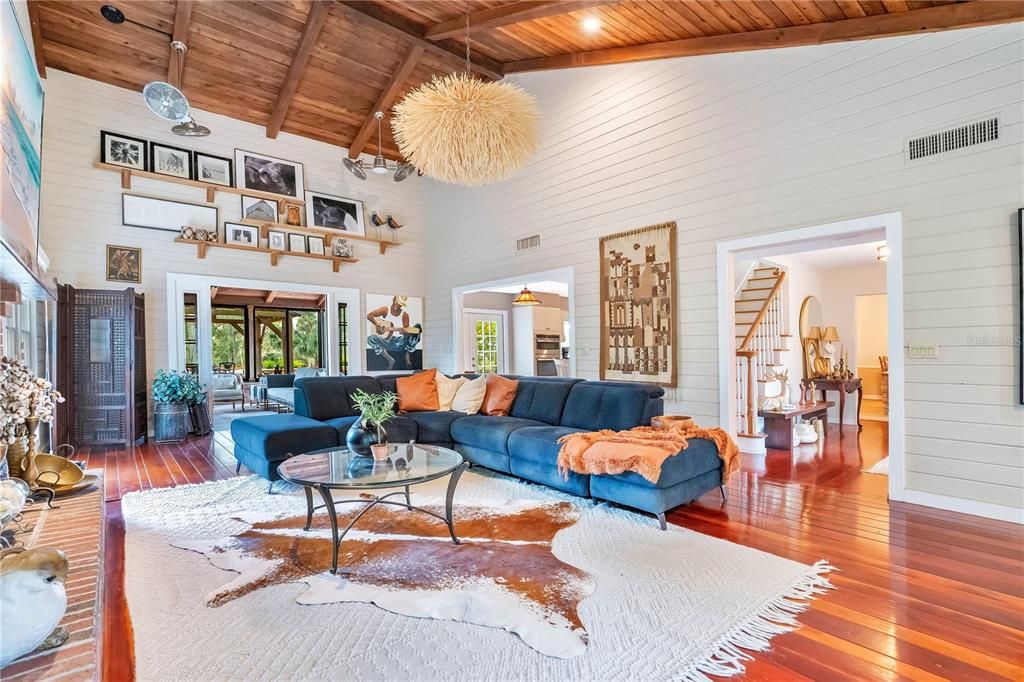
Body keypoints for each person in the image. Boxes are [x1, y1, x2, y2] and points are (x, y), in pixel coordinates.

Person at [366, 296, 422, 370]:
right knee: (370, 339)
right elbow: (369, 315)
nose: (398, 304)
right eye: (397, 302)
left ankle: (407, 356)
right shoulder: (385, 309)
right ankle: (390, 360)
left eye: (400, 304)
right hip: (385, 341)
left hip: (399, 343)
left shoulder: (404, 315)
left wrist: (404, 332)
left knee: (418, 326)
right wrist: (377, 324)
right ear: (393, 299)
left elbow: (406, 332)